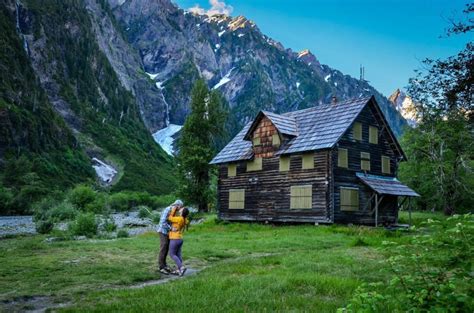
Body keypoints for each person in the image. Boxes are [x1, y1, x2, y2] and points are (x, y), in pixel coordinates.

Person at [157, 199, 183, 274]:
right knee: (163, 247)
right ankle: (161, 267)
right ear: (177, 205)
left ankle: (164, 265)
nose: (180, 209)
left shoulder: (175, 212)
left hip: (169, 233)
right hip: (163, 231)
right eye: (180, 207)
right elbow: (162, 222)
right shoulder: (168, 209)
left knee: (167, 248)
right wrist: (171, 228)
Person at [168, 206, 190, 276]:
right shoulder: (184, 219)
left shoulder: (179, 219)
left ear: (182, 212)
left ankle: (181, 267)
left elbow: (170, 218)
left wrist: (174, 209)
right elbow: (185, 218)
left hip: (175, 238)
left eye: (181, 209)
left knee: (172, 254)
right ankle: (179, 270)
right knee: (178, 254)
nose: (180, 210)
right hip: (180, 238)